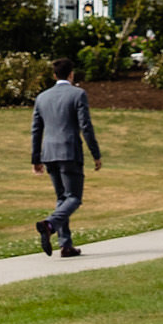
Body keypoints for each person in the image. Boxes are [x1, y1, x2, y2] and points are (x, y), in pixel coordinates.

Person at [31, 56, 103, 258]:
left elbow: (36, 130)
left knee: (62, 197)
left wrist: (35, 159)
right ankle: (50, 224)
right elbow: (85, 126)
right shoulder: (78, 94)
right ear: (71, 74)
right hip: (70, 151)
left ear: (54, 75)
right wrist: (95, 154)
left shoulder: (42, 97)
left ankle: (66, 245)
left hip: (49, 152)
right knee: (74, 198)